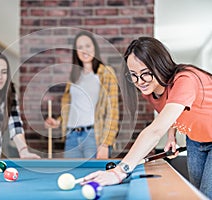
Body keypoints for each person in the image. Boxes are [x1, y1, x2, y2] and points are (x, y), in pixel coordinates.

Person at [81, 37, 212, 198]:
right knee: (198, 192)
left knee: (207, 193)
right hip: (196, 140)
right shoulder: (150, 89)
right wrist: (171, 136)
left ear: (160, 65)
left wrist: (120, 171)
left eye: (145, 74)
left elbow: (155, 131)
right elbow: (171, 111)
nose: (139, 81)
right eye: (133, 75)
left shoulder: (186, 80)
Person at [45, 31, 119, 159]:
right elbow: (72, 107)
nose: (84, 50)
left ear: (94, 47)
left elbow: (113, 111)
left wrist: (106, 144)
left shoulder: (106, 73)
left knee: (93, 177)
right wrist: (57, 121)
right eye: (80, 47)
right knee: (72, 178)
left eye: (88, 46)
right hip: (71, 136)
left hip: (93, 137)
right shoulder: (74, 77)